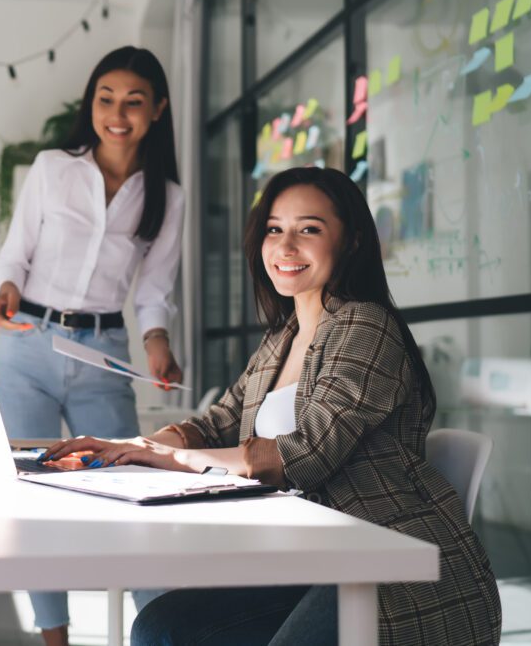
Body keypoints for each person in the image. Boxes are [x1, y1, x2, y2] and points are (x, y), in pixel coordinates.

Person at [40, 166, 503, 645]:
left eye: (309, 229)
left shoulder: (367, 326)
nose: (285, 247)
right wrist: (136, 445)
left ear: (352, 241)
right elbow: (220, 421)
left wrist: (173, 458)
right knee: (160, 628)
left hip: (387, 561)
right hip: (309, 559)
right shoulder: (283, 336)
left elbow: (305, 454)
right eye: (274, 229)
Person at [0, 45, 186, 646]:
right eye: (105, 98)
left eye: (133, 101)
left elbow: (155, 290)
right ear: (90, 103)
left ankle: (165, 633)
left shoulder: (165, 196)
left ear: (157, 110)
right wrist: (4, 292)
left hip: (103, 354)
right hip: (28, 348)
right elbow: (14, 253)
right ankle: (55, 639)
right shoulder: (52, 167)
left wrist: (157, 343)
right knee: (31, 494)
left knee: (134, 492)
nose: (116, 113)